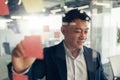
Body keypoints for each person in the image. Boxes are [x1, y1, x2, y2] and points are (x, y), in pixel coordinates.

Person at [7, 9, 108, 80]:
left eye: (86, 31)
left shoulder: (94, 55)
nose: (83, 36)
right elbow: (32, 77)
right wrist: (20, 71)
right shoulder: (48, 54)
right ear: (64, 30)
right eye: (78, 31)